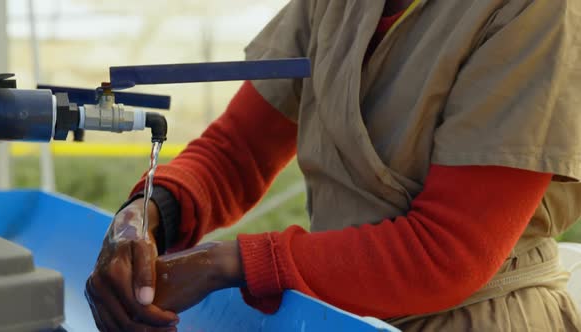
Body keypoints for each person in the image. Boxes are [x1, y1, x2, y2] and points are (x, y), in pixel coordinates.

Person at [85, 0, 581, 330]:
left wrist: (221, 263)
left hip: (476, 316)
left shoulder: (531, 10)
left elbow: (448, 252)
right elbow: (236, 150)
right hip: (338, 313)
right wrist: (145, 216)